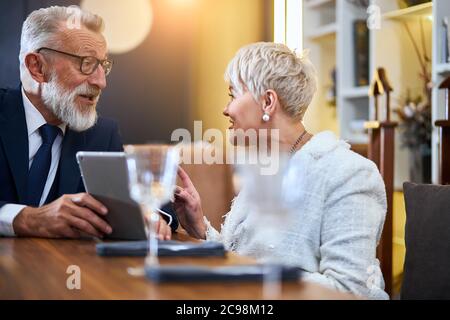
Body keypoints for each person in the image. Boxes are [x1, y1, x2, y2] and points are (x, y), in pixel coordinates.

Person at [173, 42, 389, 299]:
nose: (226, 109)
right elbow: (247, 257)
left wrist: (252, 274)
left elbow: (350, 291)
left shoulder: (351, 175)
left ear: (267, 101)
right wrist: (200, 228)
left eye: (232, 95)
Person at [0, 6, 176, 239]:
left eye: (102, 66)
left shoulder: (102, 134)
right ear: (37, 67)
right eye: (86, 63)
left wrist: (151, 215)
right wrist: (25, 218)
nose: (101, 82)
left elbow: (152, 204)